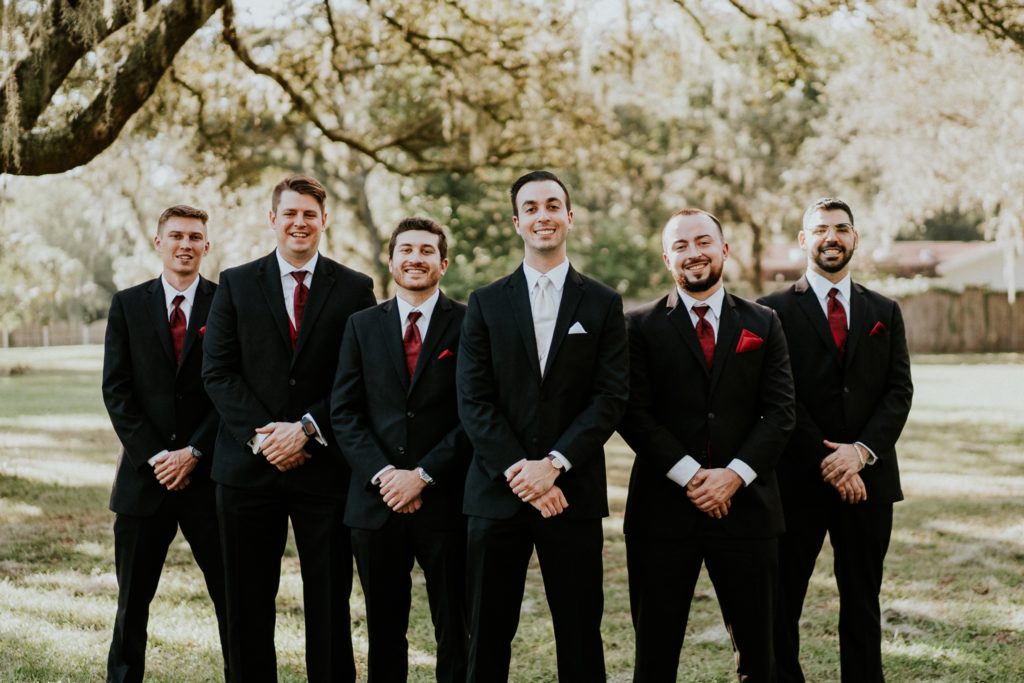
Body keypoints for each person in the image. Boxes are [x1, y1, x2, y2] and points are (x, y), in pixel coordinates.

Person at [456, 170, 629, 683]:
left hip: (570, 493)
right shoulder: (485, 302)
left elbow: (610, 396)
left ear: (569, 217)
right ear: (517, 222)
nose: (543, 215)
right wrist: (519, 470)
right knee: (486, 634)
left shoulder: (601, 303)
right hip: (495, 492)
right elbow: (473, 398)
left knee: (579, 633)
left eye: (552, 205)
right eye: (530, 208)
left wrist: (552, 466)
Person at [202, 175, 376, 682]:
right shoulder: (236, 282)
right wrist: (263, 436)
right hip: (245, 470)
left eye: (309, 215)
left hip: (324, 470)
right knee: (247, 601)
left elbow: (361, 374)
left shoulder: (354, 288)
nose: (299, 223)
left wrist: (305, 428)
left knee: (328, 600)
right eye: (290, 214)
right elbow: (218, 371)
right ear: (272, 219)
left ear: (324, 221)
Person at [619, 208, 796, 682]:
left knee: (761, 655)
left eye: (703, 241)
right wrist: (692, 477)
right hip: (662, 512)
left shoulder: (765, 322)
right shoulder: (637, 326)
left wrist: (733, 476)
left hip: (748, 509)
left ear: (724, 249)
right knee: (655, 654)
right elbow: (633, 413)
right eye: (680, 246)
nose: (693, 253)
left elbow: (780, 413)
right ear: (666, 258)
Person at [759, 198, 913, 683]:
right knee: (782, 602)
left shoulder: (884, 310)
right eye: (820, 229)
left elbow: (898, 391)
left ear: (855, 238)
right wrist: (830, 460)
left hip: (871, 481)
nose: (832, 237)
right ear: (803, 240)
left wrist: (860, 453)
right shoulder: (771, 311)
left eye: (841, 228)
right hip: (797, 481)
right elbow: (777, 396)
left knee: (863, 602)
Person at [331, 217, 470, 683]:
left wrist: (423, 475)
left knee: (456, 627)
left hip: (447, 501)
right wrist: (386, 476)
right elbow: (344, 413)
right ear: (391, 262)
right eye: (406, 250)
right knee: (384, 628)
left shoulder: (471, 322)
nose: (415, 258)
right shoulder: (360, 325)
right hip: (375, 503)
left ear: (443, 263)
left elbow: (474, 413)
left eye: (426, 250)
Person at [102, 204, 229, 683]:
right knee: (132, 602)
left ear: (206, 246)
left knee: (230, 599)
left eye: (195, 237)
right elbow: (117, 390)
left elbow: (232, 389)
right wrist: (157, 456)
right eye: (176, 235)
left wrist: (194, 451)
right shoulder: (127, 305)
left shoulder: (227, 303)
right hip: (143, 480)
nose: (185, 244)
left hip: (209, 478)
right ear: (159, 242)